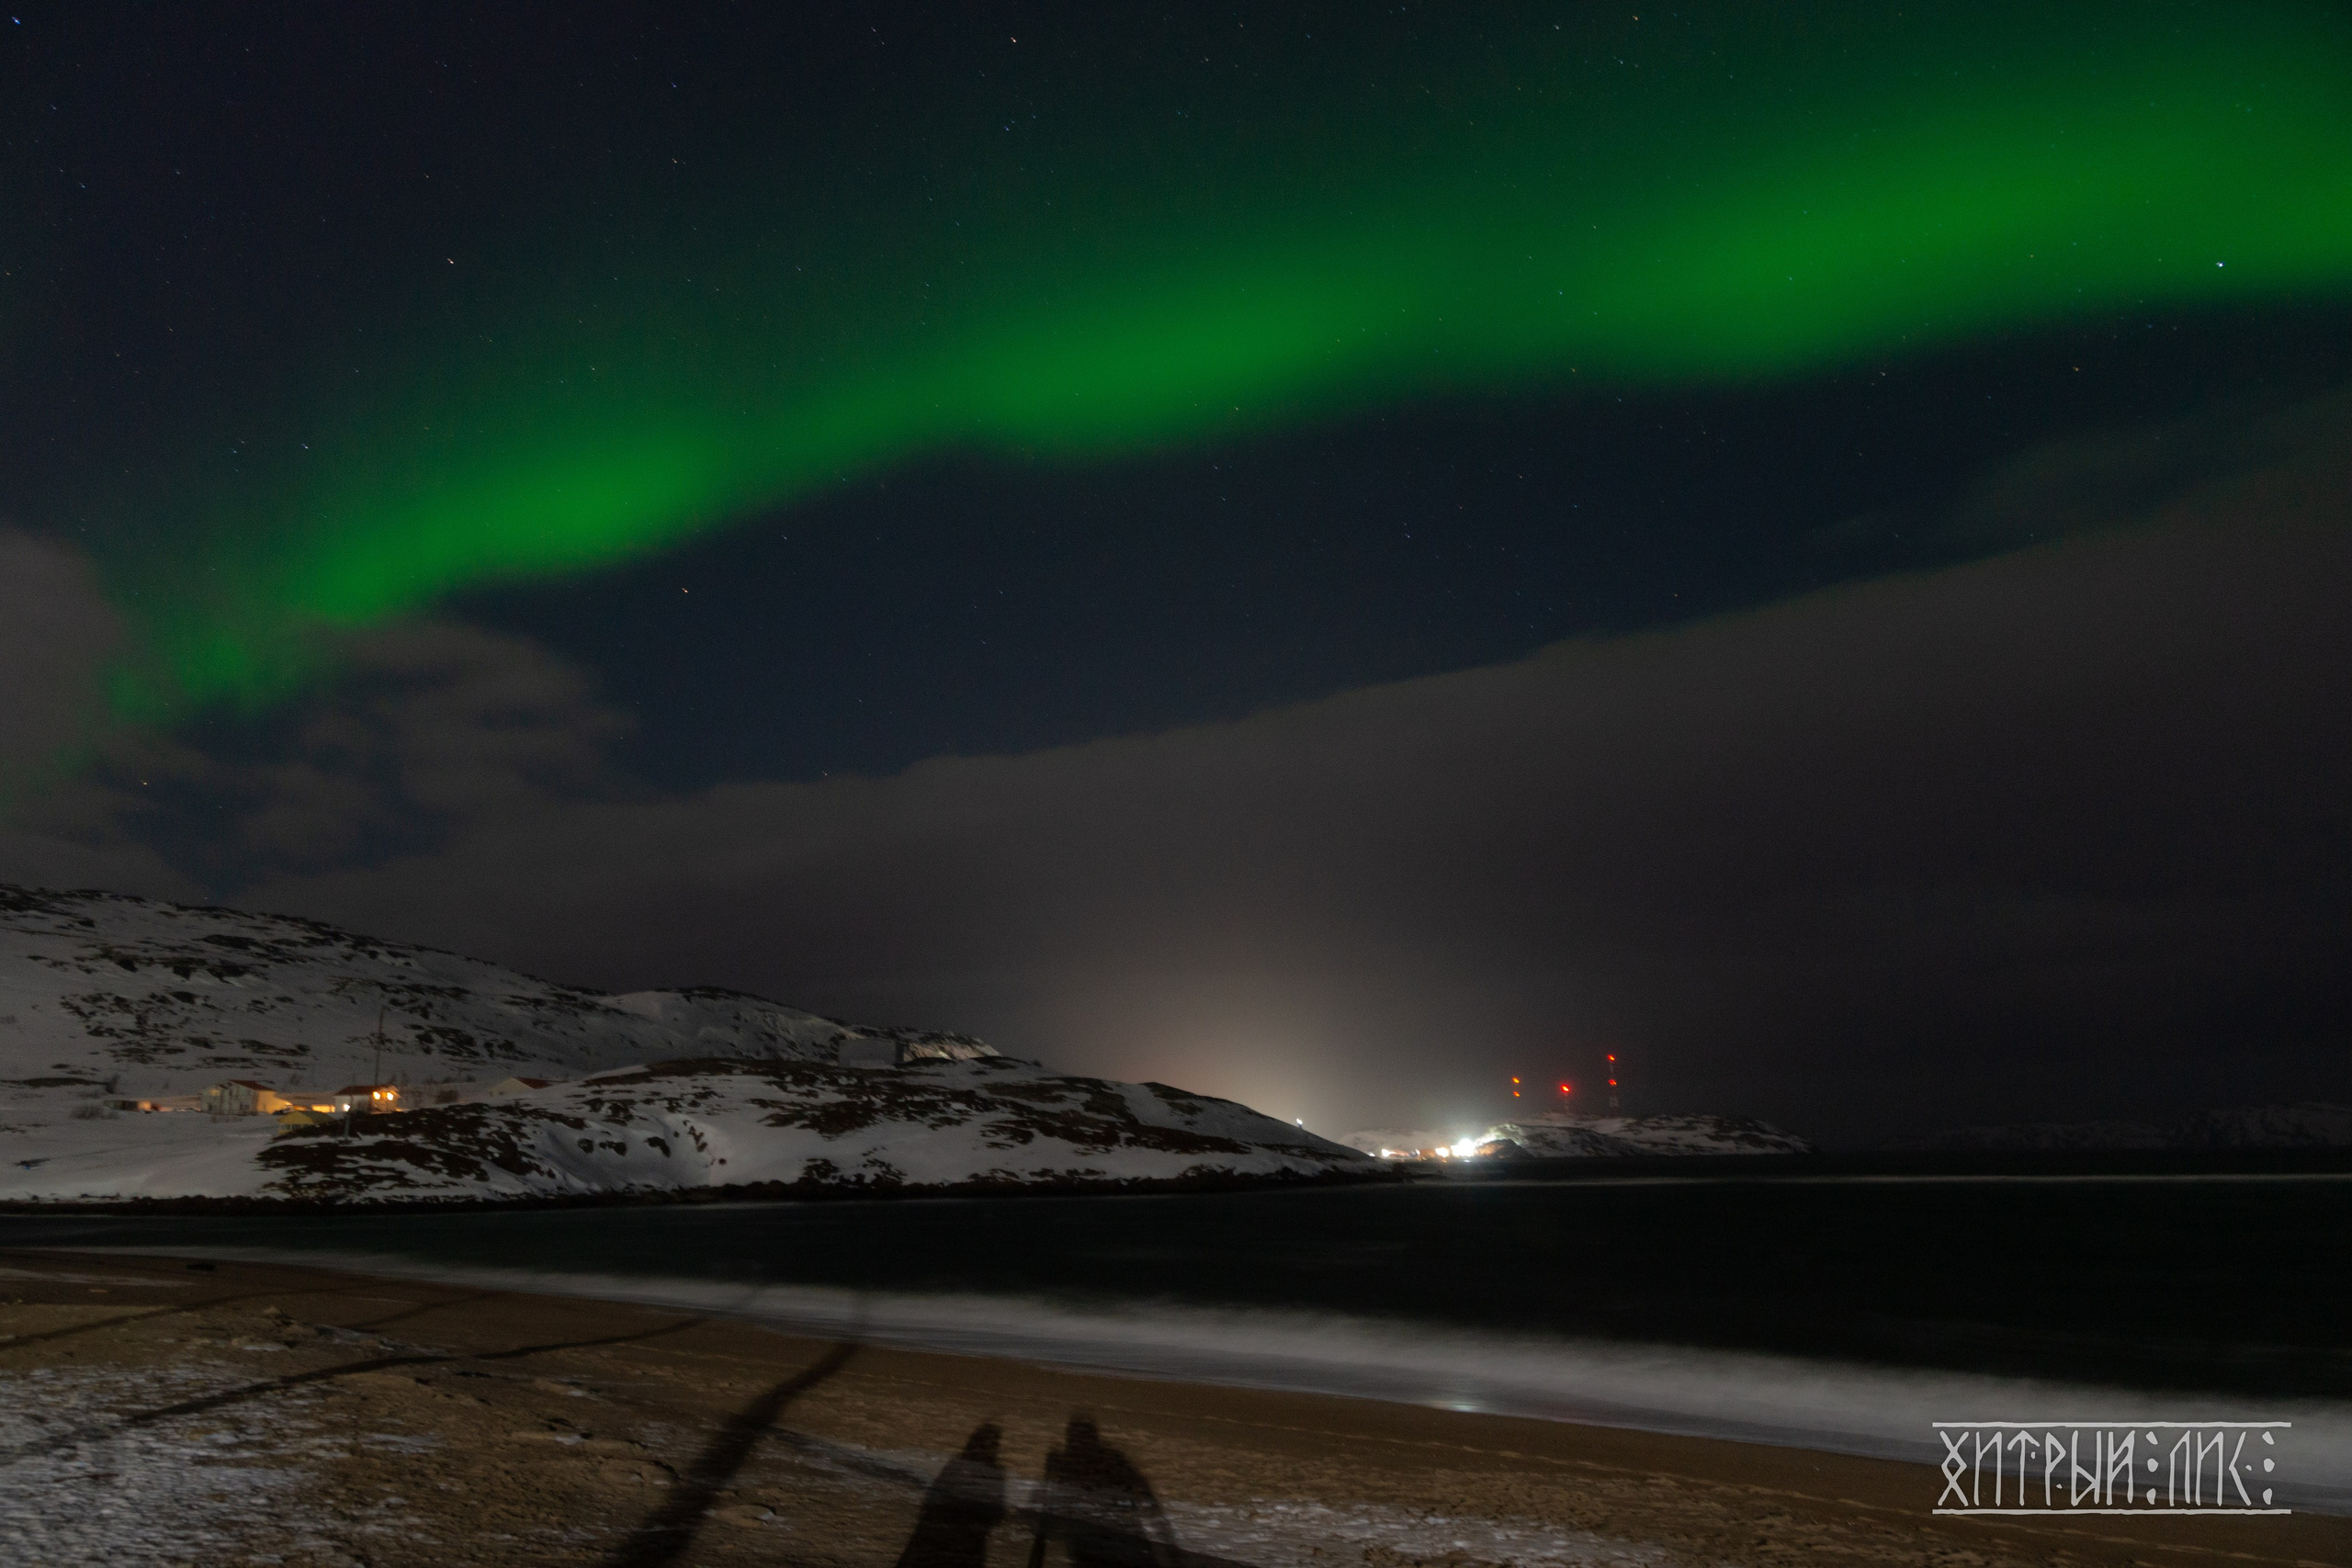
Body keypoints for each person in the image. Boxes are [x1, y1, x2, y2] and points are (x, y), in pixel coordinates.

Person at [1025, 1416, 1178, 1568]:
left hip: (1092, 1551)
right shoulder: (1115, 1460)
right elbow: (1149, 1502)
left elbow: (1045, 1525)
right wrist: (1168, 1541)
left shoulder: (1069, 1471)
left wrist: (1048, 1476)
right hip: (1129, 1546)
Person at [895, 1422, 1009, 1568]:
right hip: (966, 1543)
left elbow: (931, 1500)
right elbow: (997, 1513)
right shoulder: (993, 1472)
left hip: (945, 1540)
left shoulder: (957, 1466)